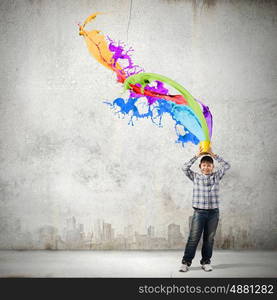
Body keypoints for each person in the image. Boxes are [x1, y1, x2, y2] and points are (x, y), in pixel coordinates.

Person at [179, 150, 231, 272]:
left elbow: (227, 166)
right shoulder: (195, 177)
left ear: (212, 167)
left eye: (209, 165)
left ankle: (206, 261)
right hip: (199, 212)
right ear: (200, 167)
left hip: (213, 213)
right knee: (194, 238)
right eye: (204, 165)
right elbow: (184, 168)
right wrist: (197, 155)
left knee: (209, 239)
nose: (206, 167)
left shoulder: (216, 176)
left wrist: (214, 155)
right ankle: (186, 262)